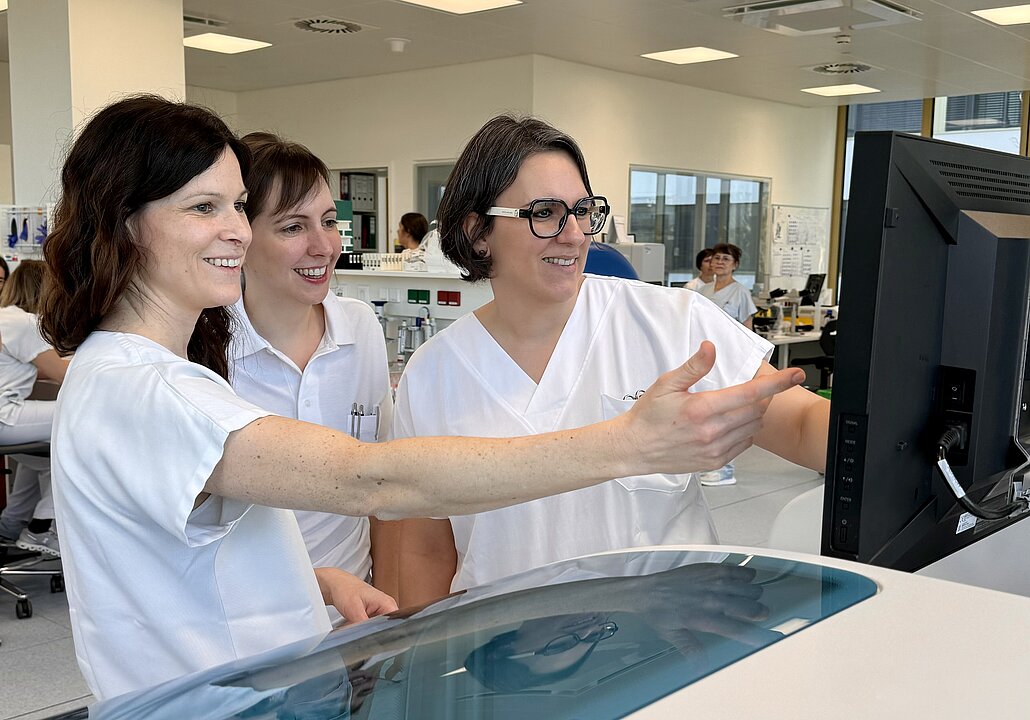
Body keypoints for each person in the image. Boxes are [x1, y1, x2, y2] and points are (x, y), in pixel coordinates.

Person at [39, 95, 803, 700]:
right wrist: (630, 442)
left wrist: (313, 582)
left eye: (238, 205)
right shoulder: (143, 389)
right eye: (203, 208)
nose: (236, 231)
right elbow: (373, 480)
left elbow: (178, 566)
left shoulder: (149, 375)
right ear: (124, 223)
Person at [386, 115, 829, 607]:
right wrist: (424, 649)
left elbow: (801, 424)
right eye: (545, 213)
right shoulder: (434, 373)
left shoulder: (669, 322)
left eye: (583, 211)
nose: (575, 235)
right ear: (477, 232)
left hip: (671, 630)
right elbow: (427, 547)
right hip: (504, 638)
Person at [230, 131, 393, 611]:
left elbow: (382, 485)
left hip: (353, 613)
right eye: (292, 227)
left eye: (328, 222)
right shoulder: (205, 347)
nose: (323, 246)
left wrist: (389, 608)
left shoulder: (359, 327)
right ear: (240, 236)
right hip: (250, 618)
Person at [0, 260, 69, 555]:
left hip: (6, 416)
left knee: (39, 457)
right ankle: (41, 527)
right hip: (5, 416)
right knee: (81, 421)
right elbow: (63, 373)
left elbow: (34, 368)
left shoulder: (5, 318)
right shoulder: (25, 324)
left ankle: (10, 525)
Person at [698, 243, 759, 485]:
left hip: (730, 358)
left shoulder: (740, 292)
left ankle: (725, 469)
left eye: (726, 259)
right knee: (705, 412)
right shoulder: (703, 290)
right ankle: (707, 462)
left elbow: (747, 328)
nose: (719, 262)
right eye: (716, 258)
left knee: (725, 415)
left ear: (735, 265)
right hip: (705, 358)